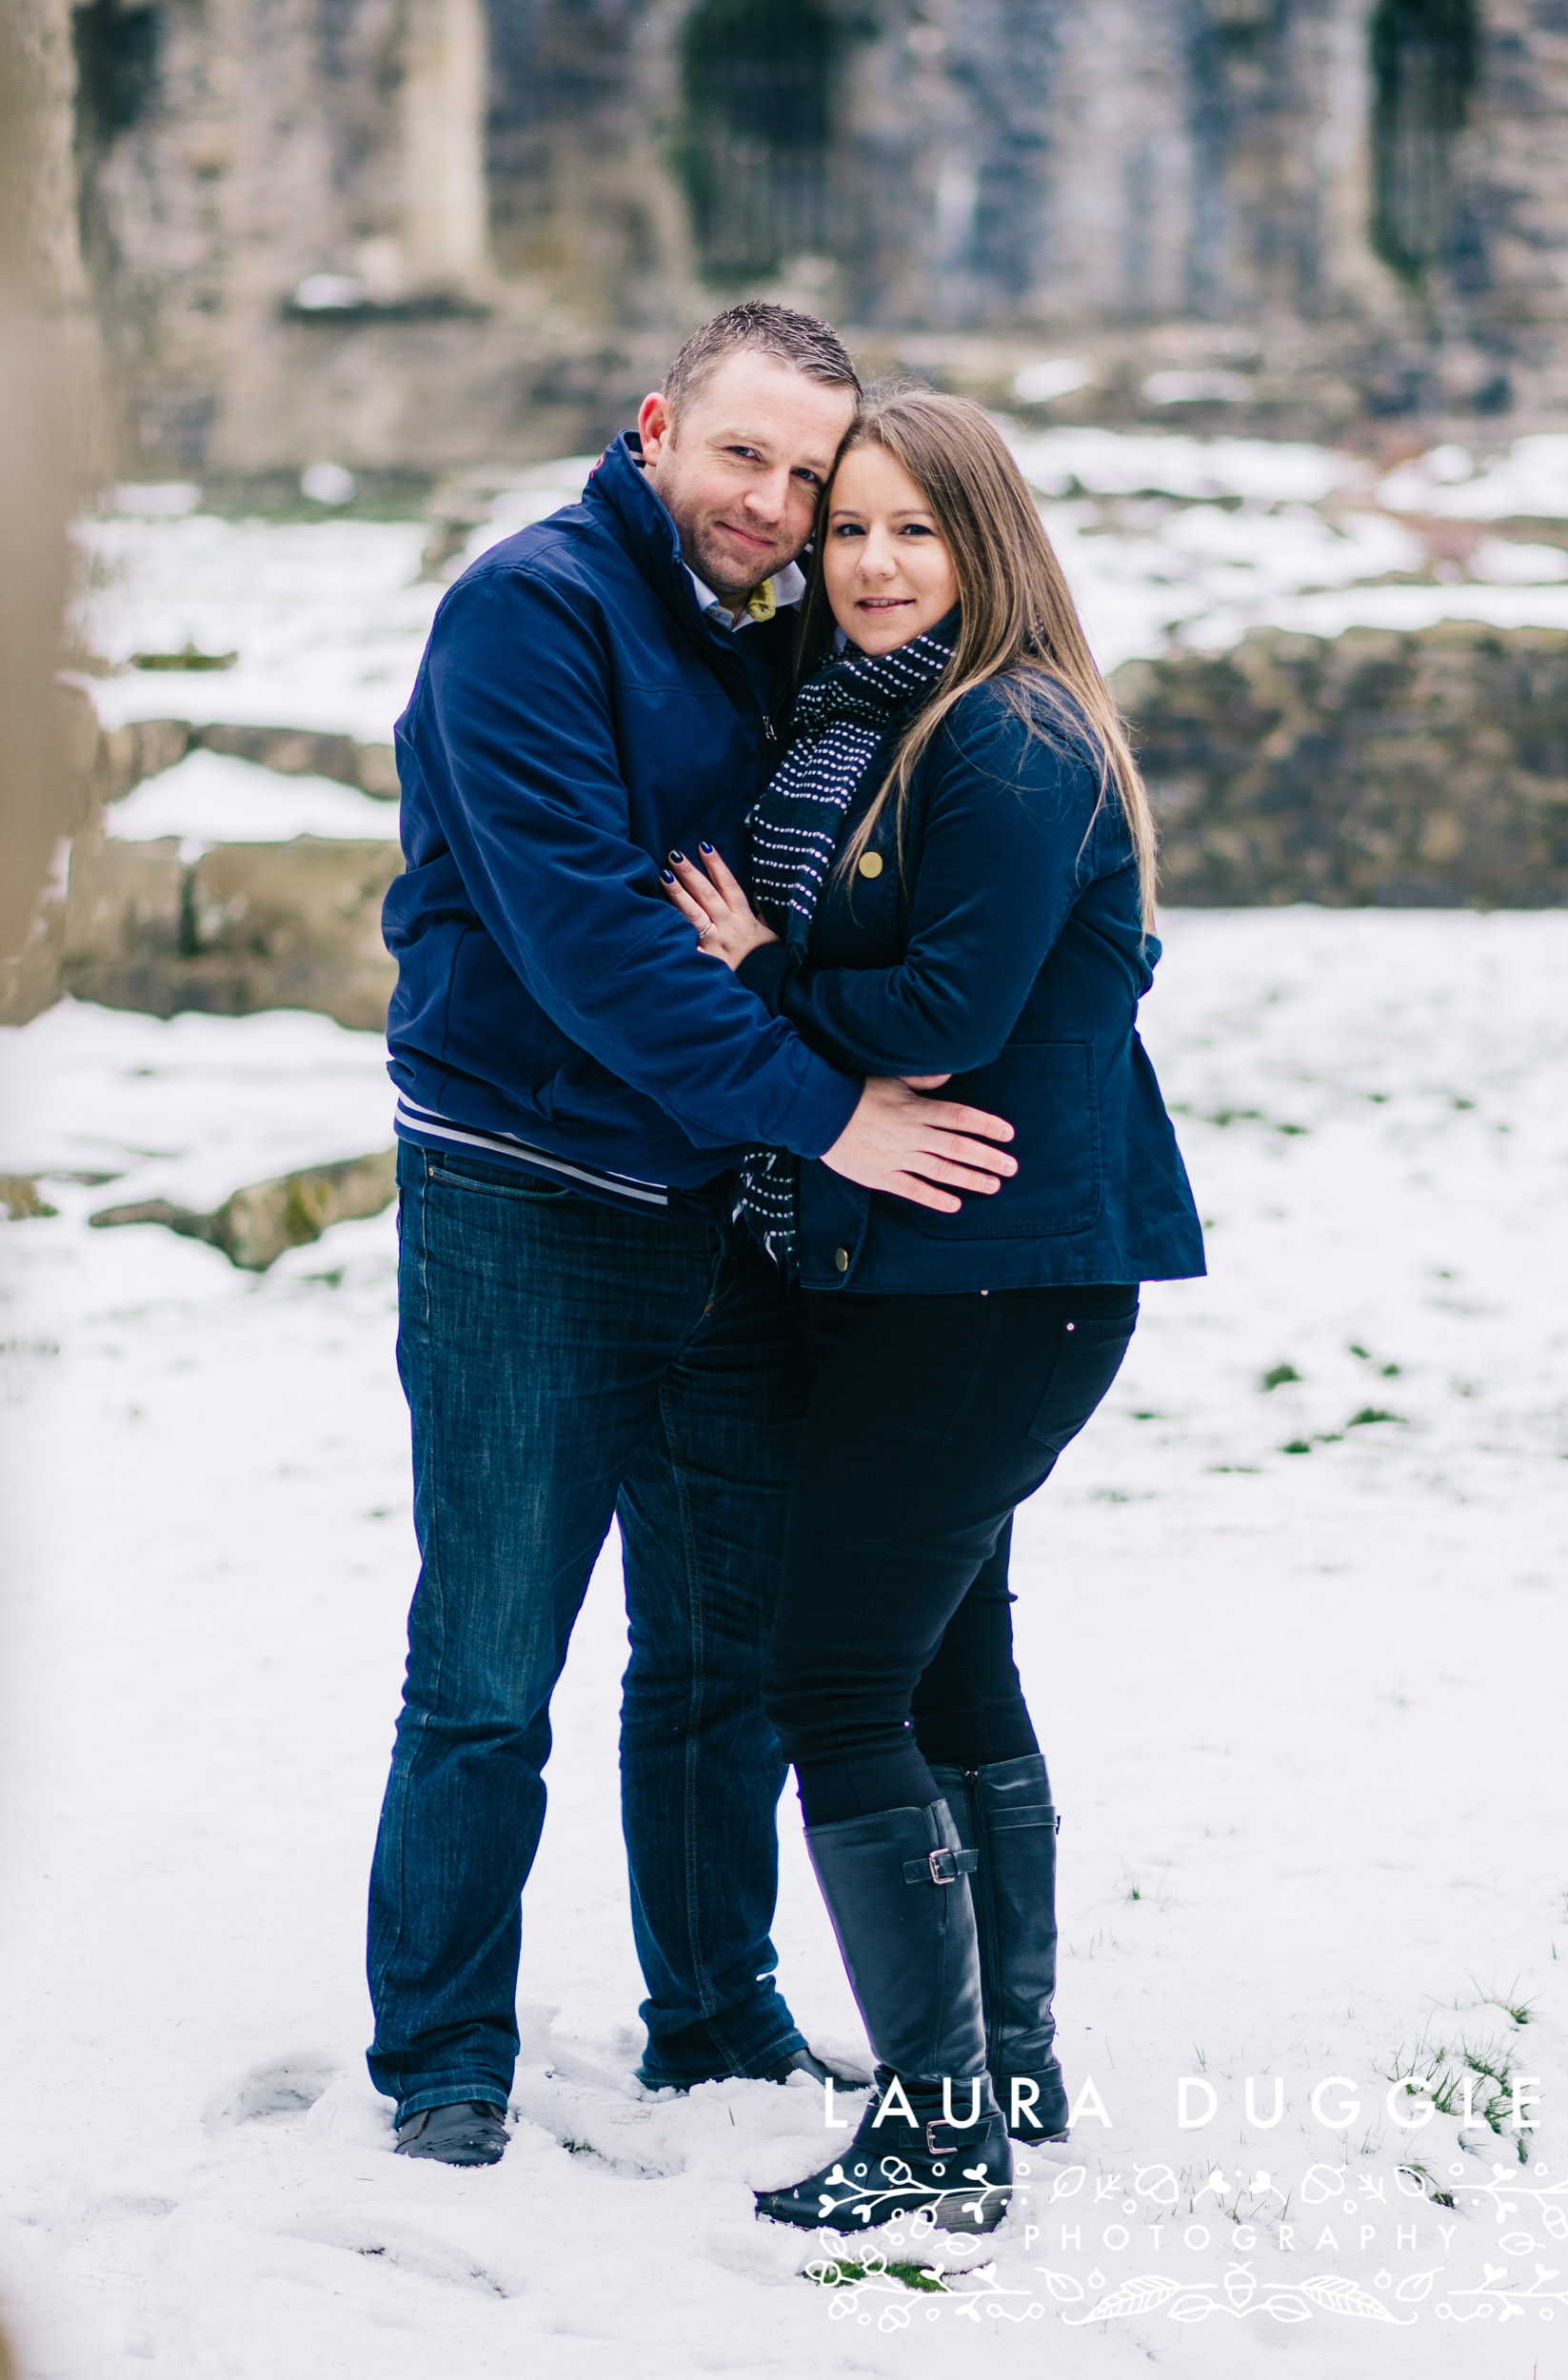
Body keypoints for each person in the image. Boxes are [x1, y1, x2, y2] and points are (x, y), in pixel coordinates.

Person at [367, 309, 1020, 2167]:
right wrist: (832, 1112)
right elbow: (587, 941)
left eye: (810, 476)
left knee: (720, 1641)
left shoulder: (767, 642)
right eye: (743, 454)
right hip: (523, 1194)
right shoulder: (533, 610)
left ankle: (712, 2002)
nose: (776, 502)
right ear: (656, 425)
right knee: (488, 1662)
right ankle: (442, 2054)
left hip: (713, 1206)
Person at [662, 387, 1205, 2233]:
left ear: (986, 545)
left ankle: (936, 2121)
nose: (874, 566)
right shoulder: (856, 729)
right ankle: (1007, 2060)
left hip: (995, 1274)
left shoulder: (1004, 736)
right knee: (950, 1659)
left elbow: (945, 1018)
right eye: (846, 531)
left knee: (833, 1679)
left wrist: (760, 961)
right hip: (919, 1268)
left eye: (915, 530)